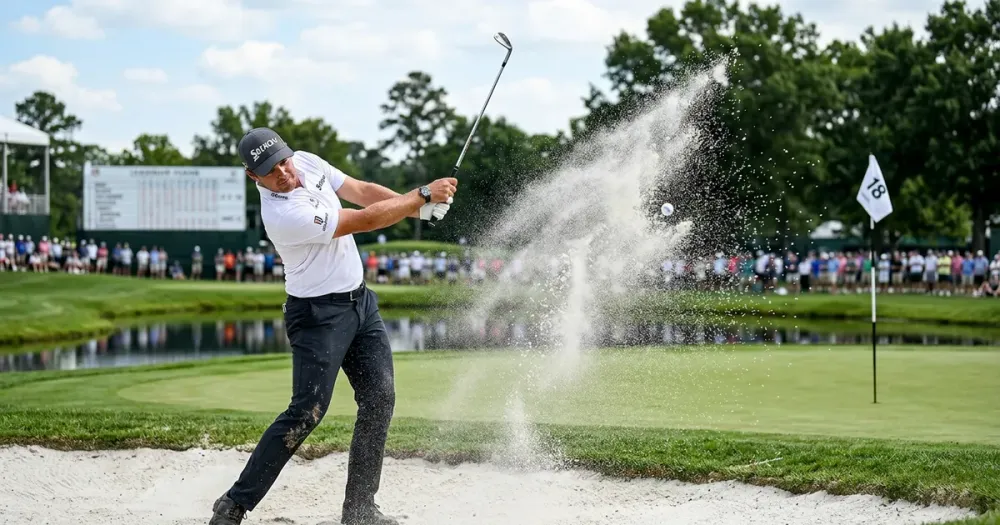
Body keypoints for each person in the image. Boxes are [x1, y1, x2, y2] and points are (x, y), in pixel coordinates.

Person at [209, 127, 456, 525]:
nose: (284, 172)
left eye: (284, 160)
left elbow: (360, 190)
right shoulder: (282, 214)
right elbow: (360, 220)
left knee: (379, 399)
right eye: (271, 171)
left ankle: (359, 510)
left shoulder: (305, 160)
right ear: (253, 176)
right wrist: (421, 196)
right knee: (306, 411)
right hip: (317, 316)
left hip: (360, 303)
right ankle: (234, 504)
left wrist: (415, 208)